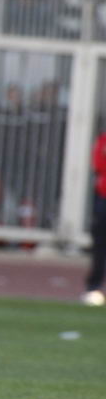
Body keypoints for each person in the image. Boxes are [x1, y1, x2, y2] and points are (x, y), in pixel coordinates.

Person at [84, 130, 106, 307]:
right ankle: (94, 286)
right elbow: (98, 165)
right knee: (100, 244)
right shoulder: (103, 140)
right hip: (103, 197)